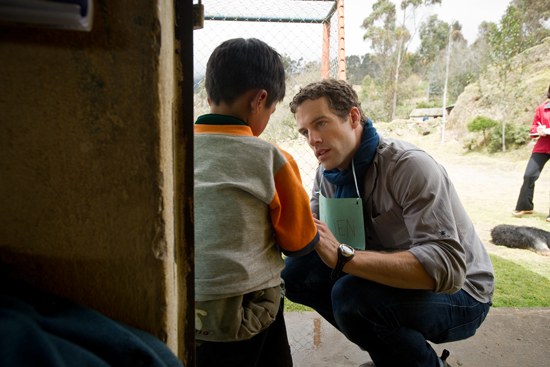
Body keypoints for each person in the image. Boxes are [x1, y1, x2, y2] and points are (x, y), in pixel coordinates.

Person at [281, 79, 495, 367]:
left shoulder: (409, 166)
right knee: (294, 274)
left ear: (353, 117)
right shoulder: (326, 175)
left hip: (462, 293)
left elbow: (448, 267)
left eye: (320, 124)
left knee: (352, 300)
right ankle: (394, 355)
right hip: (385, 275)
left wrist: (345, 259)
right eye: (305, 131)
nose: (312, 140)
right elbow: (313, 239)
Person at [193, 38, 319, 367]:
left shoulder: (174, 150)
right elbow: (298, 243)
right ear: (260, 99)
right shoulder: (271, 158)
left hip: (182, 301)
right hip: (246, 309)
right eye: (272, 110)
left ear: (209, 96)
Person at [513, 84, 550, 220]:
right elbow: (534, 126)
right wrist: (538, 131)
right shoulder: (542, 108)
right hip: (542, 147)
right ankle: (525, 207)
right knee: (529, 175)